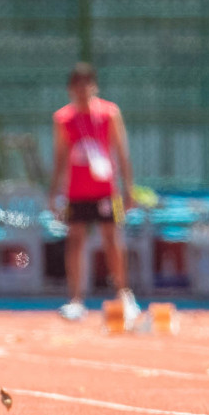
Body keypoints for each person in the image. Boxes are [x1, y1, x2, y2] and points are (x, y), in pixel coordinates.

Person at [52, 63, 138, 323]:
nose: (82, 89)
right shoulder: (63, 118)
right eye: (77, 84)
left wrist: (128, 189)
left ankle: (124, 294)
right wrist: (54, 192)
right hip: (76, 191)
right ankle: (76, 299)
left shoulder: (109, 113)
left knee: (112, 240)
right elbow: (60, 157)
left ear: (94, 86)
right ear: (70, 88)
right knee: (75, 240)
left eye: (87, 83)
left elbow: (121, 153)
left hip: (105, 190)